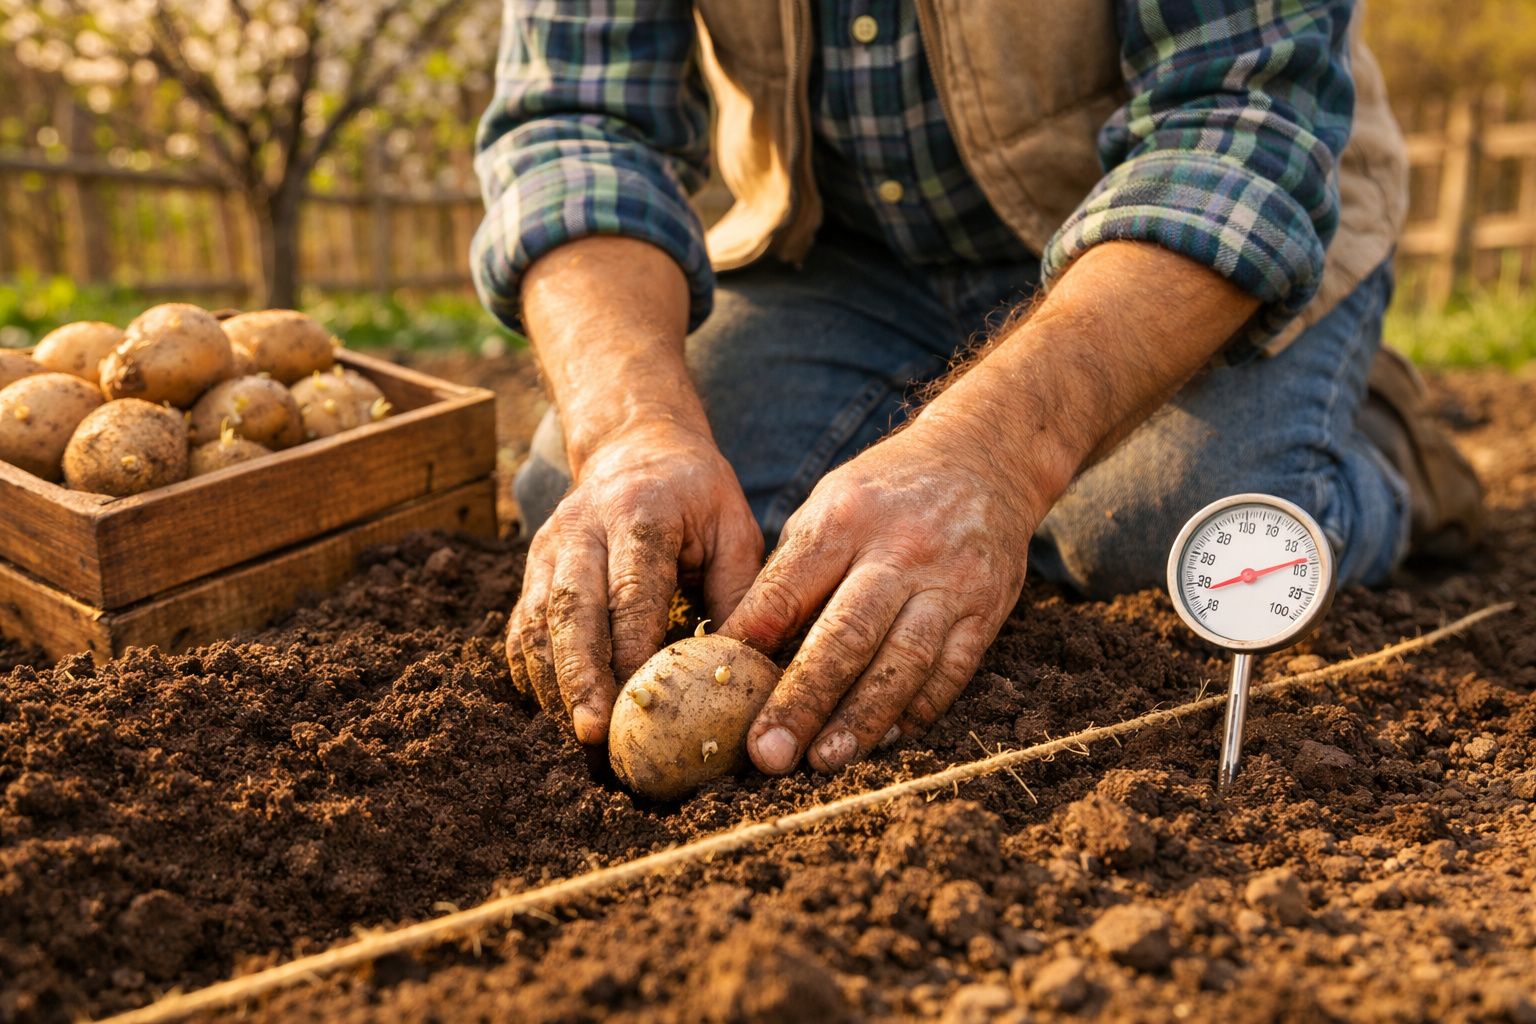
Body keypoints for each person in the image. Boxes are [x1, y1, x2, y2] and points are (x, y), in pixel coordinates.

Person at [472, 1, 1481, 778]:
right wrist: (630, 433)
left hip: (1169, 236)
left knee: (1153, 531)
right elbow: (575, 121)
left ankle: (1380, 445)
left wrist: (994, 455)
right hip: (849, 250)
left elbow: (1239, 125)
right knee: (629, 526)